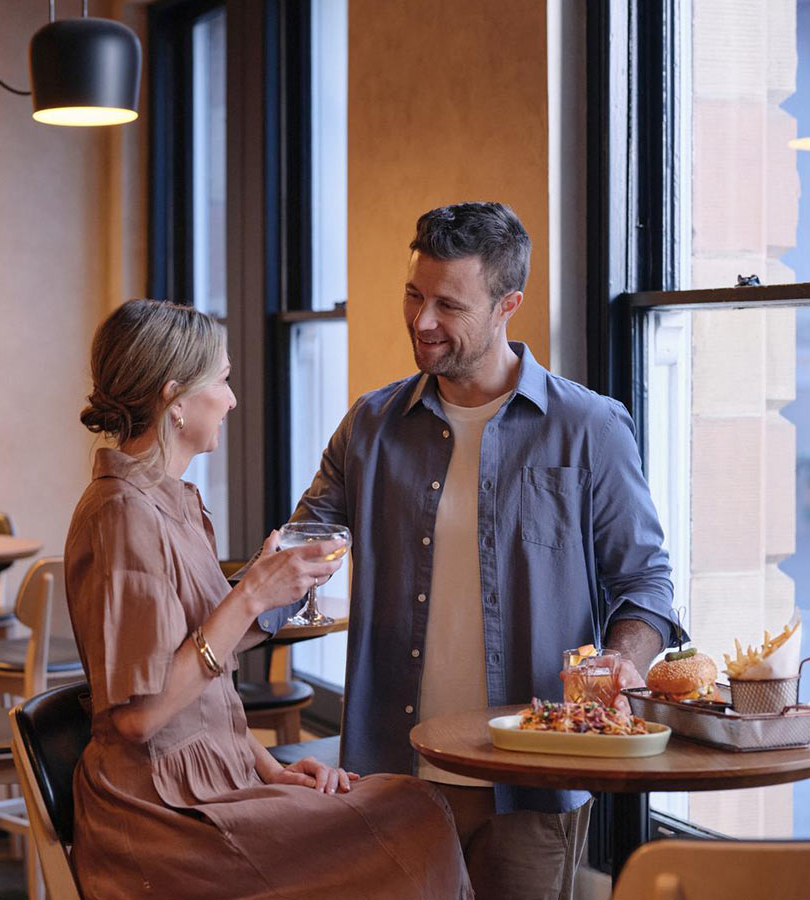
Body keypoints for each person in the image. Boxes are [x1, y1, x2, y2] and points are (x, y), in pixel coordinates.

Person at [286, 203, 685, 900]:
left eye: (448, 304)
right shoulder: (369, 426)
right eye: (414, 295)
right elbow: (298, 552)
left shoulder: (590, 428)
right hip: (391, 775)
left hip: (533, 780)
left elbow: (645, 581)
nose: (422, 322)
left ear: (509, 305)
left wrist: (626, 658)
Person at [64, 299, 473, 900]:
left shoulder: (173, 503)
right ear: (175, 399)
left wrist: (273, 770)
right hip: (162, 817)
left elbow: (208, 698)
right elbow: (141, 716)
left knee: (410, 806)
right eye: (222, 381)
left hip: (218, 783)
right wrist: (252, 593)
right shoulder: (123, 515)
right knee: (412, 819)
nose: (231, 400)